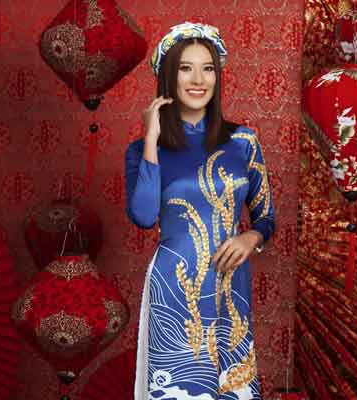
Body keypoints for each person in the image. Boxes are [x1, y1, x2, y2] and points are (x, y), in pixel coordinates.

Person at [125, 22, 275, 400]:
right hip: (174, 290)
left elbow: (267, 218)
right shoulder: (142, 150)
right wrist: (151, 139)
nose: (198, 79)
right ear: (168, 77)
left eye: (207, 68)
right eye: (185, 68)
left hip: (231, 286)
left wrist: (250, 237)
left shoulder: (243, 142)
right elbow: (144, 217)